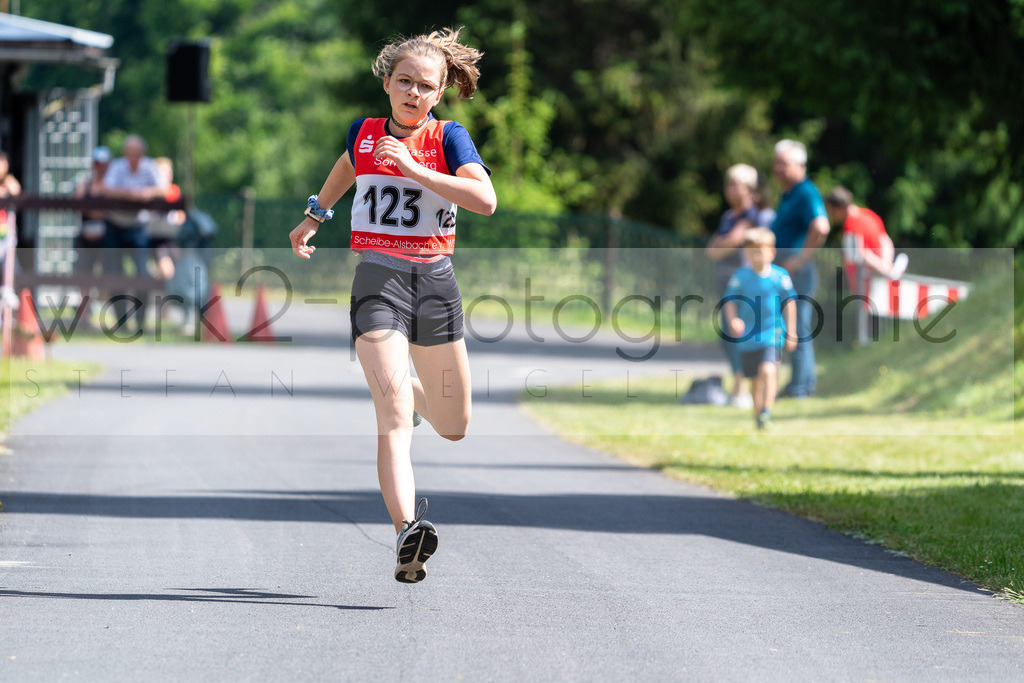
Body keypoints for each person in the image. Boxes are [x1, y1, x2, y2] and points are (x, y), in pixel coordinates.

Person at [288, 28, 495, 584]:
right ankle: (407, 530)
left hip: (436, 284)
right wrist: (315, 215)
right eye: (404, 81)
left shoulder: (450, 138)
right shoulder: (364, 133)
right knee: (394, 414)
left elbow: (486, 200)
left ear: (440, 92)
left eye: (425, 86)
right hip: (377, 282)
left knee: (453, 425)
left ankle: (421, 400)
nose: (412, 93)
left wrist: (414, 168)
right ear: (387, 83)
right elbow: (347, 167)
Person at [770, 139, 829, 398]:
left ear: (800, 165)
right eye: (776, 164)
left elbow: (821, 226)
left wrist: (800, 259)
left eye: (783, 164)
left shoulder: (806, 192)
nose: (778, 169)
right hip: (787, 274)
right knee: (790, 326)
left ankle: (802, 387)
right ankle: (798, 383)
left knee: (799, 327)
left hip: (798, 274)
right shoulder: (789, 193)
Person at [722, 228, 798, 430]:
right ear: (745, 253)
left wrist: (792, 330)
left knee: (768, 369)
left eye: (760, 250)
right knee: (755, 379)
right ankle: (758, 416)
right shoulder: (740, 276)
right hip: (748, 336)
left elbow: (790, 303)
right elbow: (729, 301)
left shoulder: (780, 276)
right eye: (752, 251)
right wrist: (733, 320)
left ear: (771, 252)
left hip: (772, 332)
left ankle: (766, 410)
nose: (756, 255)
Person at [706, 163, 760, 409]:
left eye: (735, 184)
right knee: (726, 337)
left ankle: (742, 389)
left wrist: (722, 244)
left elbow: (730, 243)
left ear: (749, 189)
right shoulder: (728, 216)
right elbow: (713, 248)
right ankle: (739, 385)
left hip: (741, 284)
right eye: (728, 184)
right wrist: (721, 244)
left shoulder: (751, 216)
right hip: (724, 282)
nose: (729, 190)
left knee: (738, 334)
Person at [102, 135, 166, 332]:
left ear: (142, 154)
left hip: (138, 227)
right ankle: (121, 321)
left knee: (142, 274)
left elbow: (163, 189)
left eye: (136, 153)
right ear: (125, 154)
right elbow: (106, 189)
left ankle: (140, 321)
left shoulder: (149, 167)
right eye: (130, 153)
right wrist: (129, 194)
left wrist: (147, 193)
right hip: (115, 225)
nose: (133, 157)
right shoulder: (117, 166)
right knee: (113, 273)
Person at [72, 146, 112, 329]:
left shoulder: (112, 186)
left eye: (103, 164)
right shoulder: (85, 184)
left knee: (108, 275)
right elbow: (78, 205)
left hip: (106, 239)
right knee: (83, 277)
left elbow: (106, 212)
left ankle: (113, 315)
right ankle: (84, 316)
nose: (100, 167)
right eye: (97, 163)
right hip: (86, 238)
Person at [148, 157, 186, 282]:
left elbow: (181, 215)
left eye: (169, 172)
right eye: (163, 172)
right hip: (154, 239)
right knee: (168, 271)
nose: (167, 175)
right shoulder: (149, 192)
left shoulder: (174, 191)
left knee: (176, 271)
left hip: (172, 238)